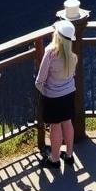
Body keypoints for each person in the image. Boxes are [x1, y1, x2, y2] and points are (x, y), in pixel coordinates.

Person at [35, 19, 78, 169]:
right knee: (67, 122)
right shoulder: (73, 57)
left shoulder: (50, 53)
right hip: (69, 93)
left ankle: (54, 158)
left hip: (53, 96)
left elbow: (40, 79)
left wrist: (44, 92)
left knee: (55, 126)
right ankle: (69, 155)